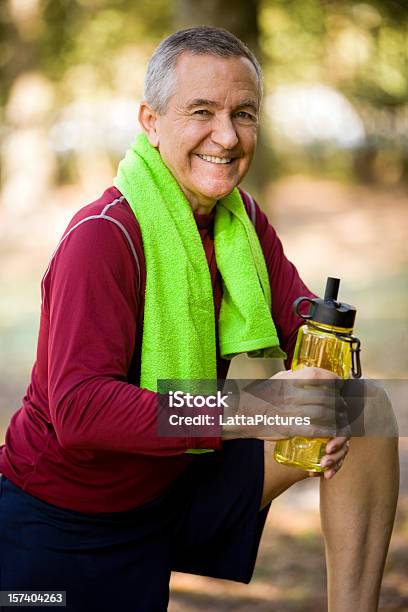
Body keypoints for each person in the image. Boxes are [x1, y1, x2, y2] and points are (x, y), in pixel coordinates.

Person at [0, 26, 398, 612]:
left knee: (363, 410)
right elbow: (81, 410)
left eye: (244, 113)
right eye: (202, 111)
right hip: (64, 524)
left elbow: (302, 323)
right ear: (151, 121)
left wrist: (323, 367)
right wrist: (257, 406)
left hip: (175, 485)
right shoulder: (102, 237)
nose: (227, 136)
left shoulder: (241, 224)